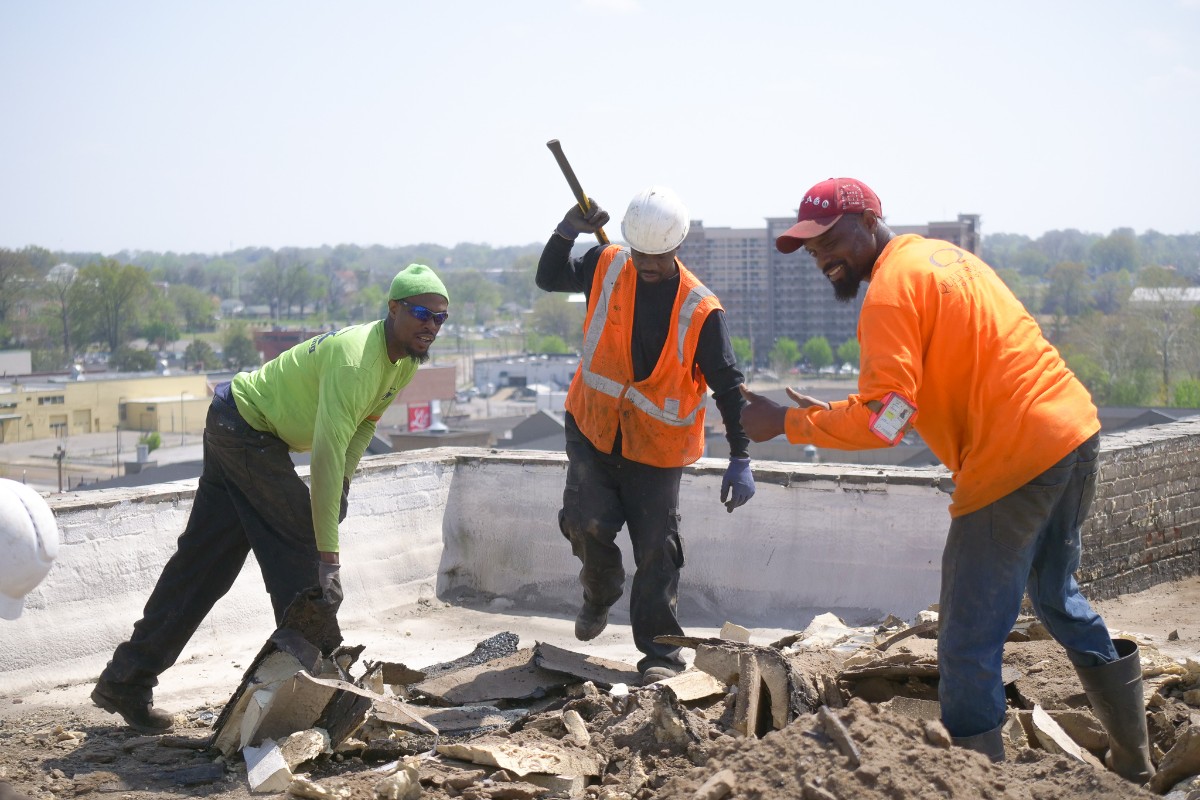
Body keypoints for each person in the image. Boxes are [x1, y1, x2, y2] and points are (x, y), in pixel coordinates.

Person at [738, 177, 1154, 781]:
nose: (821, 255)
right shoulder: (940, 257)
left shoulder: (887, 294)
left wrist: (784, 422)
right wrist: (825, 417)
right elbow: (910, 404)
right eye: (809, 247)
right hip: (1071, 432)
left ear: (868, 221)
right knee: (1058, 597)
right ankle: (1135, 766)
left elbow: (885, 422)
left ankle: (976, 787)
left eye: (829, 237)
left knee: (965, 643)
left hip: (1012, 462)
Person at [91, 264, 450, 733]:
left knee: (202, 566)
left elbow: (363, 426)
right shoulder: (355, 360)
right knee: (303, 554)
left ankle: (125, 680)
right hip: (245, 430)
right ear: (394, 309)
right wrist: (329, 558)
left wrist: (343, 483)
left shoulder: (402, 361)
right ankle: (317, 692)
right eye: (422, 313)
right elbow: (323, 457)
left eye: (441, 318)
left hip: (241, 426)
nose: (431, 326)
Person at [537, 186, 756, 686]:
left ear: (677, 247)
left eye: (657, 257)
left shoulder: (701, 310)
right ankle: (600, 591)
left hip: (656, 450)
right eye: (640, 254)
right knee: (584, 523)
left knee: (658, 547)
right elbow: (548, 277)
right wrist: (568, 229)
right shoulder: (608, 262)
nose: (647, 264)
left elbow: (728, 384)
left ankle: (660, 652)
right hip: (593, 425)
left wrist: (740, 455)